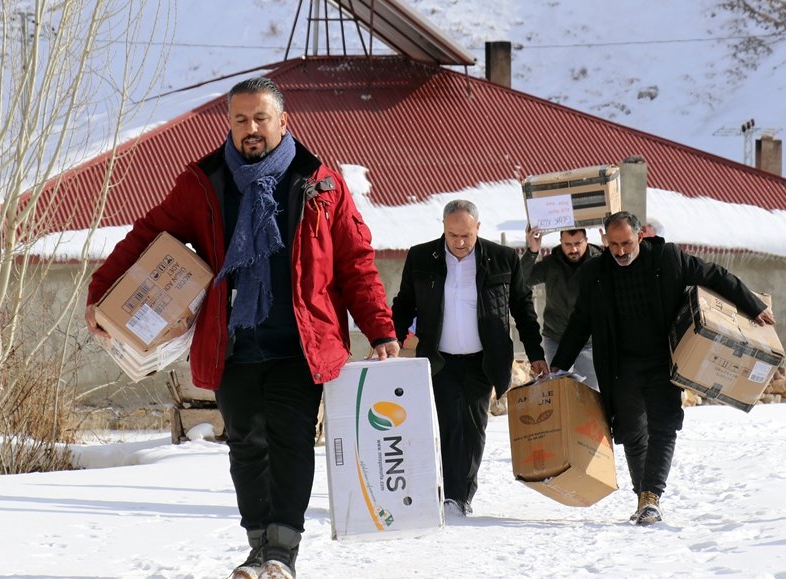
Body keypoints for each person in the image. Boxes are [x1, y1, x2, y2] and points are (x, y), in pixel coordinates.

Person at [85, 77, 399, 579]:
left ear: (283, 121)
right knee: (247, 444)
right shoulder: (204, 181)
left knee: (290, 440)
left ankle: (283, 553)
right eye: (241, 119)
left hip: (302, 342)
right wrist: (101, 294)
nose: (251, 129)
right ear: (229, 123)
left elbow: (355, 262)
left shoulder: (319, 181)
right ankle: (258, 548)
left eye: (260, 119)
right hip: (231, 341)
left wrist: (380, 330)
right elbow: (148, 235)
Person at [541, 210, 774, 526]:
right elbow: (581, 322)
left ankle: (651, 497)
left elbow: (715, 275)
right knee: (632, 432)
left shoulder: (668, 258)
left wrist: (753, 304)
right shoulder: (594, 272)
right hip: (620, 366)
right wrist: (557, 367)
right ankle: (643, 497)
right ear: (604, 240)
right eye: (614, 245)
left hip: (662, 362)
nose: (621, 251)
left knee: (664, 426)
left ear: (640, 236)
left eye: (626, 243)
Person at [392, 200, 544, 517]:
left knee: (474, 427)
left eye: (466, 235)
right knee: (450, 423)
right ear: (444, 229)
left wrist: (536, 354)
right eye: (452, 235)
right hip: (440, 359)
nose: (460, 242)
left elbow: (523, 309)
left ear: (478, 228)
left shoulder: (502, 259)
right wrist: (388, 340)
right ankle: (453, 496)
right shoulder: (422, 257)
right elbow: (404, 304)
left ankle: (464, 492)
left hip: (483, 359)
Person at [522, 226, 602, 390]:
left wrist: (611, 255)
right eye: (568, 244)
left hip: (588, 340)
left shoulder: (599, 261)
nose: (573, 249)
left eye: (578, 243)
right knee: (558, 391)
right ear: (560, 242)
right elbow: (523, 280)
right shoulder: (552, 263)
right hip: (556, 336)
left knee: (591, 393)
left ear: (586, 240)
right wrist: (532, 251)